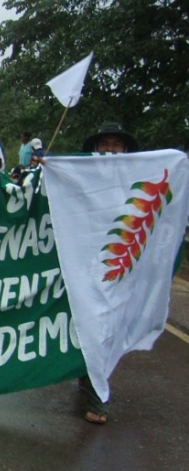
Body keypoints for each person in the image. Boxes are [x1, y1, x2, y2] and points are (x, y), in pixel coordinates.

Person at [77, 121, 138, 424]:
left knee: (102, 330)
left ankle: (96, 394)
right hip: (81, 264)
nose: (110, 149)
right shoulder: (80, 176)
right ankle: (88, 383)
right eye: (105, 144)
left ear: (125, 149)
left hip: (117, 266)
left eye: (116, 144)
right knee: (84, 325)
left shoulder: (139, 178)